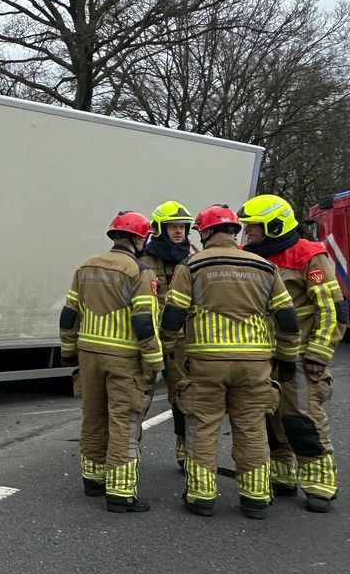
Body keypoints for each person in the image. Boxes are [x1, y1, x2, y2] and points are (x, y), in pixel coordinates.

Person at [158, 205, 300, 519]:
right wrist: (287, 358)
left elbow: (173, 316)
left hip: (208, 363)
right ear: (234, 231)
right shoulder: (265, 267)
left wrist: (166, 351)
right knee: (251, 427)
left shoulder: (192, 266)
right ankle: (255, 497)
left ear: (205, 232)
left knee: (204, 425)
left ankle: (201, 495)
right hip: (255, 364)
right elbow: (288, 319)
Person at [239, 194, 347, 512]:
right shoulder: (249, 256)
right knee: (266, 418)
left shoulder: (309, 255)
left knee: (301, 419)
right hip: (260, 355)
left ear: (274, 226)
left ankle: (319, 485)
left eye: (253, 227)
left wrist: (319, 352)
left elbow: (332, 309)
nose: (247, 232)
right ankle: (281, 476)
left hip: (299, 356)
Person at [60, 211, 164, 513]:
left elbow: (69, 313)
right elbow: (144, 321)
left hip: (89, 354)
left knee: (93, 416)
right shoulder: (140, 271)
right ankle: (121, 492)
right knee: (124, 421)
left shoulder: (86, 265)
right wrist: (154, 363)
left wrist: (69, 349)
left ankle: (93, 479)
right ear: (137, 239)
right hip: (123, 359)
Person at [144, 200, 195, 469]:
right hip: (148, 338)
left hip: (180, 341)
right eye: (173, 227)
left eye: (182, 227)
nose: (178, 232)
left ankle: (184, 446)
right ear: (160, 229)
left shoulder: (194, 258)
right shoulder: (144, 260)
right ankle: (124, 448)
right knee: (136, 395)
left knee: (183, 394)